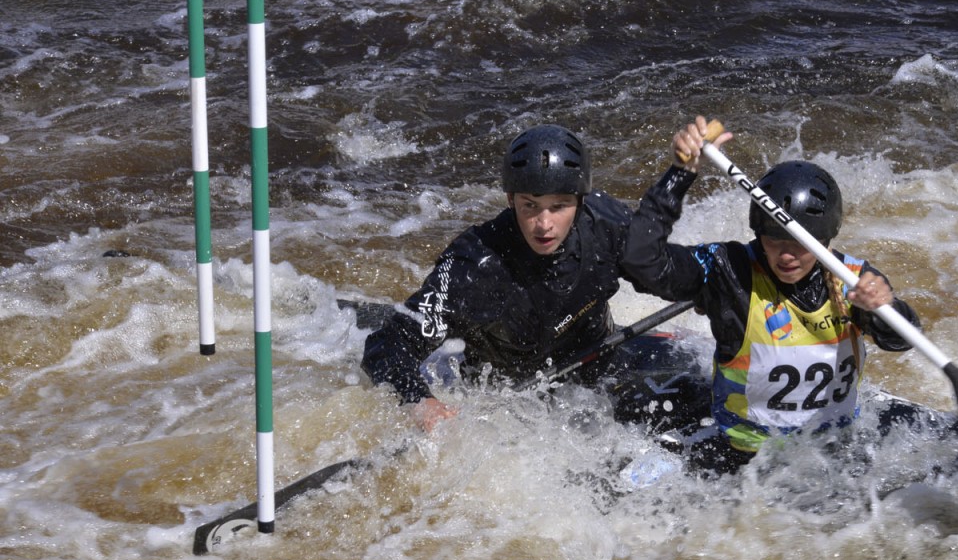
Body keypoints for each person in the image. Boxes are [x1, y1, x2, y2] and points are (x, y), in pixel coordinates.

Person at [622, 116, 924, 474]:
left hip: (832, 453)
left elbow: (902, 340)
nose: (786, 256)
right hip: (744, 457)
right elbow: (640, 260)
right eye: (775, 240)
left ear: (825, 238)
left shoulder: (853, 280)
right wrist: (680, 173)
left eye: (800, 243)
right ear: (758, 232)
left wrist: (884, 309)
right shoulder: (728, 272)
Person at [360, 123, 700, 430]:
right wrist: (421, 402)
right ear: (510, 199)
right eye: (530, 206)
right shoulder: (474, 265)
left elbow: (663, 268)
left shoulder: (606, 225)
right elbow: (386, 347)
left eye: (559, 206)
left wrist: (682, 174)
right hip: (516, 406)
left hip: (602, 369)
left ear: (580, 200)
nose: (544, 224)